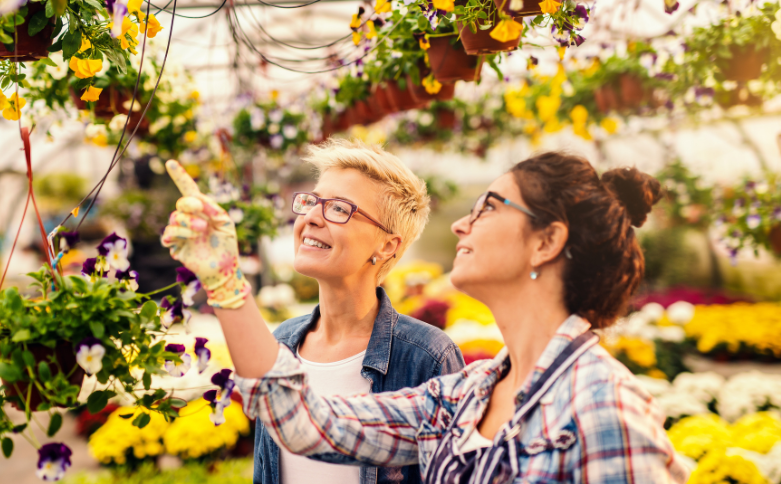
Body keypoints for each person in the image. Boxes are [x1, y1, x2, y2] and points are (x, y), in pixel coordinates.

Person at [161, 150, 688, 483]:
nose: (460, 225)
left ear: (546, 241)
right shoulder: (464, 398)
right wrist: (224, 280)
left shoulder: (601, 405)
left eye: (489, 207)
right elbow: (304, 422)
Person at [162, 139, 463, 484]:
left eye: (339, 208)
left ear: (386, 245)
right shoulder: (281, 343)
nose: (312, 217)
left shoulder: (428, 357)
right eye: (311, 201)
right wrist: (222, 278)